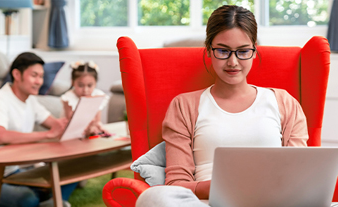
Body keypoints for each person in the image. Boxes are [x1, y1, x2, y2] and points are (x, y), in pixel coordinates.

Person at [136, 5, 308, 207]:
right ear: (209, 50)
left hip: (271, 202)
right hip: (208, 203)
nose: (233, 62)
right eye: (223, 51)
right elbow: (176, 184)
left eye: (243, 51)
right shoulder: (184, 105)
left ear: (254, 51)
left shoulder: (284, 102)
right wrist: (216, 186)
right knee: (153, 198)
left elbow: (299, 176)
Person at [0, 52, 77, 207]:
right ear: (17, 74)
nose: (39, 81)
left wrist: (75, 119)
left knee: (71, 173)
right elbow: (0, 136)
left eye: (41, 76)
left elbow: (56, 125)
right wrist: (46, 135)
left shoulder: (31, 101)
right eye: (34, 75)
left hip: (13, 174)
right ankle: (52, 201)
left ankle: (51, 201)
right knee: (27, 199)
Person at [60, 60, 109, 137]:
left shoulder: (98, 95)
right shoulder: (68, 98)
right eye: (80, 85)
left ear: (95, 83)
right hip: (72, 134)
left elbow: (97, 121)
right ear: (72, 82)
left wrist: (98, 127)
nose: (85, 90)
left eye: (89, 85)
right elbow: (71, 122)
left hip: (89, 133)